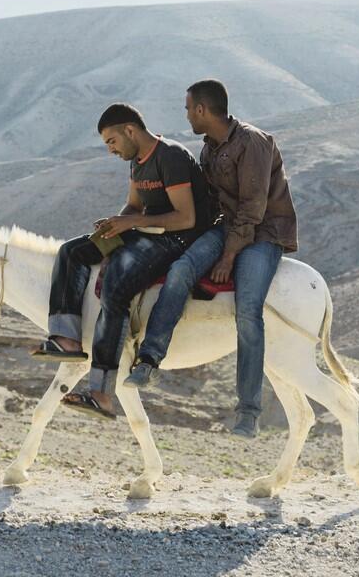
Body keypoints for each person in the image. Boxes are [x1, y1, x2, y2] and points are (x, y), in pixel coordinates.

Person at [123, 79, 298, 438]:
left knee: (248, 311)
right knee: (181, 269)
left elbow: (253, 209)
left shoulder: (253, 142)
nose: (187, 115)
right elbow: (212, 205)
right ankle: (150, 359)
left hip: (264, 233)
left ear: (202, 109)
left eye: (188, 108)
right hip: (227, 228)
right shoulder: (208, 149)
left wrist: (228, 256)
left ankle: (248, 411)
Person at [32, 102, 215, 419]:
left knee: (115, 286)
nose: (110, 150)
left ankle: (101, 393)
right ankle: (66, 340)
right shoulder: (137, 162)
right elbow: (134, 206)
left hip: (177, 239)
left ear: (130, 130)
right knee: (72, 252)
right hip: (146, 230)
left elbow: (186, 218)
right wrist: (117, 221)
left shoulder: (170, 156)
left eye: (111, 141)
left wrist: (130, 224)